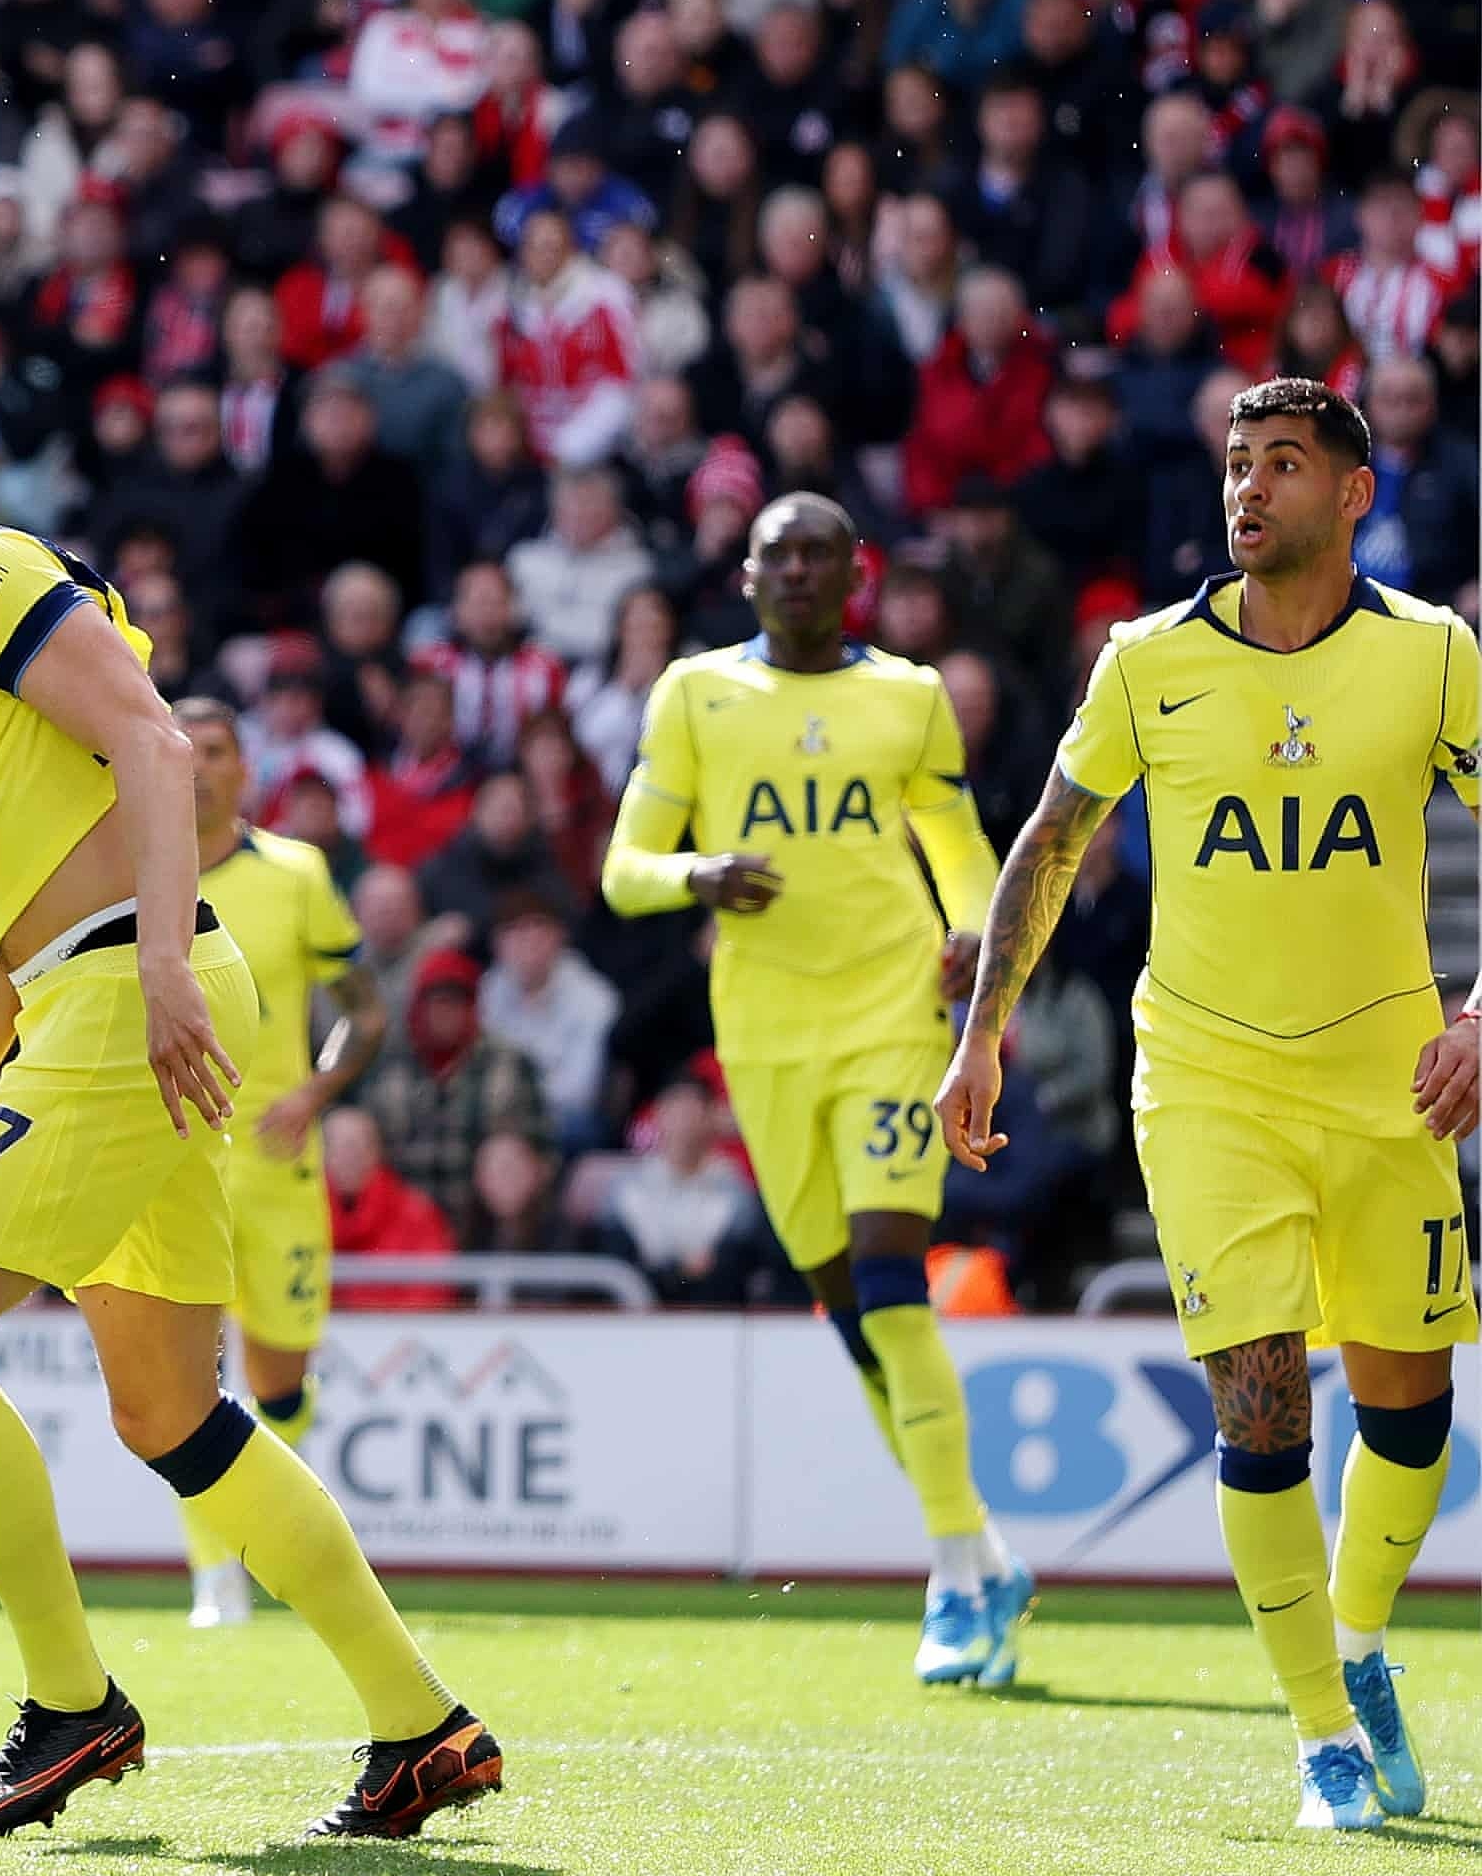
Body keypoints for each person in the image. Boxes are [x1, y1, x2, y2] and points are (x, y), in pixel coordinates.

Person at [0, 352, 494, 1841]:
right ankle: (422, 1727)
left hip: (127, 986)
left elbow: (154, 737)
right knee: (170, 1413)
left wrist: (161, 962)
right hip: (80, 994)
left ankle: (73, 1705)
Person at [943, 380, 1480, 1832]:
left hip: (1390, 1079)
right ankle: (1322, 1740)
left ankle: (1357, 1642)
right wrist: (980, 1038)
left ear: (1355, 494)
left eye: (1285, 465)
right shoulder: (1144, 662)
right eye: (1237, 464)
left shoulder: (1435, 656)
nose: (1249, 489)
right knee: (1255, 1409)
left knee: (1411, 1413)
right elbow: (1050, 846)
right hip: (1206, 1080)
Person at [600, 492, 1026, 1682]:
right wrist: (697, 873)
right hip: (765, 1036)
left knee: (894, 1285)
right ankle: (986, 1552)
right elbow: (621, 871)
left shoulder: (908, 693)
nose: (792, 571)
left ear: (854, 572)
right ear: (743, 575)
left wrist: (965, 935)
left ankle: (946, 1579)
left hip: (890, 1018)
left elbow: (954, 842)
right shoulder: (691, 692)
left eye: (813, 554)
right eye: (772, 554)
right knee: (850, 1323)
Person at [168, 695, 384, 1632]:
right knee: (184, 1377)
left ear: (243, 768)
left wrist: (314, 1093)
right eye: (182, 750)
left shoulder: (297, 874)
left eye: (216, 751)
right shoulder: (136, 872)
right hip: (176, 1157)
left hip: (276, 1157)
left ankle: (272, 1535)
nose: (198, 767)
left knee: (280, 1378)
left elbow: (365, 1008)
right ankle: (218, 1569)